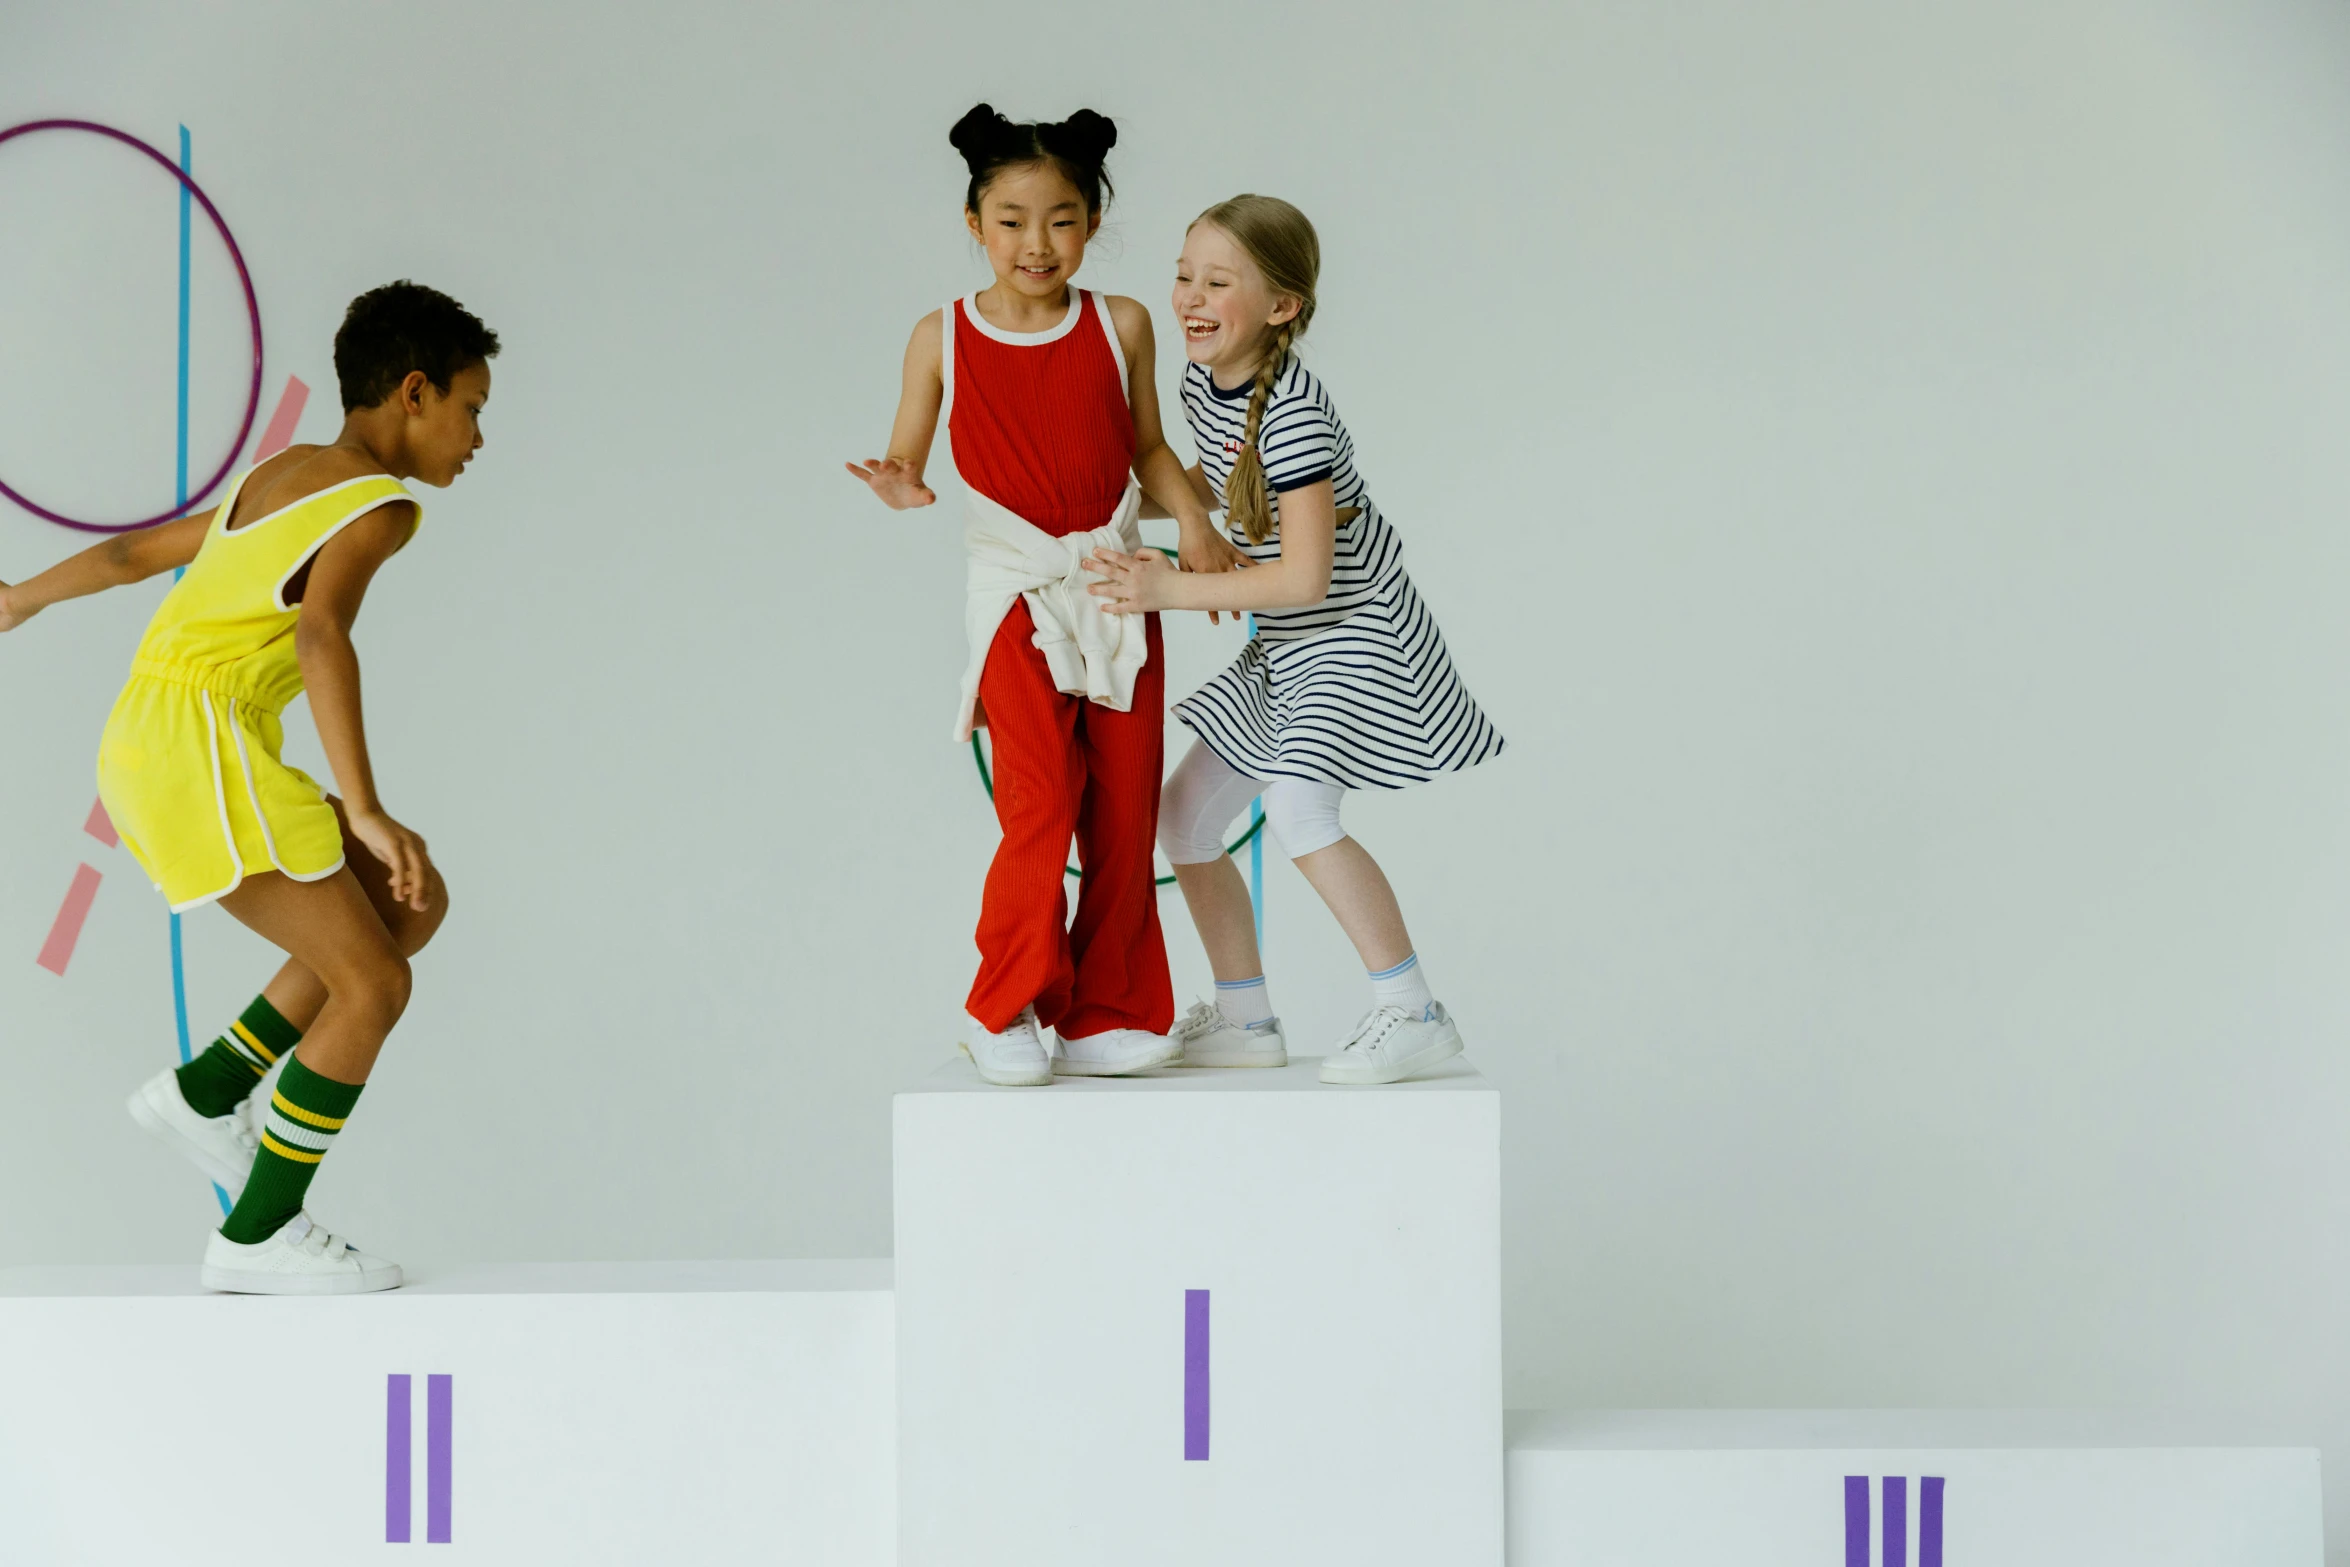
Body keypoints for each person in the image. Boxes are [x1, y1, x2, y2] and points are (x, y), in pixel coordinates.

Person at [0, 280, 497, 1289]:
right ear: (413, 391)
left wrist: (19, 599)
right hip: (197, 744)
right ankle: (259, 1235)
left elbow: (135, 552)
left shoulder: (281, 475)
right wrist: (363, 802)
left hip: (164, 736)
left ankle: (208, 1089)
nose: (476, 437)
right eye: (471, 408)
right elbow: (321, 632)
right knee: (375, 980)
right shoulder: (377, 506)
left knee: (407, 901)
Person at [847, 104, 1240, 1085]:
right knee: (1039, 799)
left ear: (1093, 222)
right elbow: (907, 450)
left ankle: (1107, 1006)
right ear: (974, 222)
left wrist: (1192, 523)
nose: (1036, 242)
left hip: (1120, 580)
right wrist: (900, 481)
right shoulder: (940, 335)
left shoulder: (1123, 323)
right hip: (1017, 587)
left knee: (1122, 798)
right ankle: (1004, 1002)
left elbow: (1146, 446)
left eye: (1061, 218)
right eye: (1012, 219)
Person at [1088, 196, 1505, 1086]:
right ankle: (1246, 1020)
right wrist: (1116, 507)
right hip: (1290, 645)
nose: (1190, 297)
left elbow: (1304, 576)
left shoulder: (1295, 417)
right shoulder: (1210, 382)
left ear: (1282, 307)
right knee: (1183, 817)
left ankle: (1414, 1011)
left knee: (1301, 809)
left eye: (1219, 282)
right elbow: (1217, 480)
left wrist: (1168, 586)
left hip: (1353, 635)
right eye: (1183, 274)